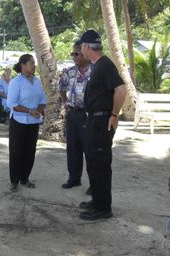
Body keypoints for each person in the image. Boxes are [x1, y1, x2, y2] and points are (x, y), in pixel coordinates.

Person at [78, 30, 126, 221]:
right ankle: (97, 200)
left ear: (88, 47)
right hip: (94, 121)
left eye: (82, 46)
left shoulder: (105, 65)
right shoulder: (97, 65)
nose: (81, 49)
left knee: (100, 165)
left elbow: (121, 90)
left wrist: (114, 115)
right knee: (93, 163)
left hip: (101, 121)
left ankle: (103, 208)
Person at [7, 54, 47, 192]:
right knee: (16, 151)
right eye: (31, 63)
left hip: (33, 121)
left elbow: (43, 100)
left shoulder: (37, 82)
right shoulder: (15, 82)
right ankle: (14, 181)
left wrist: (39, 110)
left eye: (34, 63)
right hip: (19, 121)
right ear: (23, 65)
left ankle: (25, 178)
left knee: (30, 151)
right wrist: (30, 111)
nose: (34, 65)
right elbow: (12, 104)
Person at [59, 41, 92, 193]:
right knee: (73, 148)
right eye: (72, 54)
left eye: (76, 54)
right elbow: (62, 88)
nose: (74, 57)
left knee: (90, 149)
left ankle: (95, 184)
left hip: (88, 116)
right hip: (72, 114)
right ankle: (74, 179)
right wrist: (65, 103)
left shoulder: (95, 70)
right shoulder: (69, 72)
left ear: (85, 54)